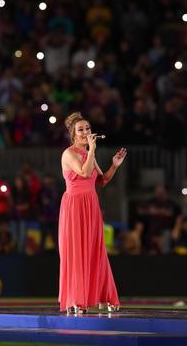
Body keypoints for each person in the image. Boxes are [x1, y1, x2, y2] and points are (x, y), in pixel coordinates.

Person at [59, 112, 127, 315]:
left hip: (91, 205)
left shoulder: (90, 154)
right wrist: (92, 151)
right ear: (73, 134)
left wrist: (114, 166)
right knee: (77, 252)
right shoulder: (69, 154)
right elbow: (84, 173)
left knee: (96, 250)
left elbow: (102, 180)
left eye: (87, 128)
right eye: (81, 130)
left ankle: (103, 297)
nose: (86, 132)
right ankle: (76, 299)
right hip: (75, 206)